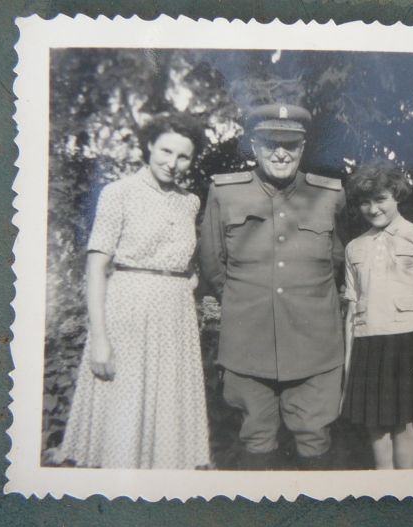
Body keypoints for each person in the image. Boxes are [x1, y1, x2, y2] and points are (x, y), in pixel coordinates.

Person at [59, 113, 211, 469]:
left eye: (183, 156)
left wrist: (187, 280)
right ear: (150, 145)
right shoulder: (119, 193)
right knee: (123, 411)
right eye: (166, 151)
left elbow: (182, 258)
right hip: (128, 312)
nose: (172, 163)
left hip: (175, 318)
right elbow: (96, 269)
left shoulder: (190, 202)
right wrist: (100, 339)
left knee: (167, 413)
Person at [199, 103, 346, 470]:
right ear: (254, 146)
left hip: (314, 344)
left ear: (303, 147)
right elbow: (213, 264)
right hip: (248, 342)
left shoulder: (330, 194)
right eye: (270, 144)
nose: (281, 153)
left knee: (315, 437)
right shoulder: (224, 193)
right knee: (256, 436)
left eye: (291, 145)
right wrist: (248, 301)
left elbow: (339, 261)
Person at [340, 164, 413, 469]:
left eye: (380, 199)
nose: (373, 209)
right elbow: (352, 312)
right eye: (365, 202)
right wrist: (349, 370)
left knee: (408, 457)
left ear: (396, 195)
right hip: (368, 351)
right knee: (382, 461)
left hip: (409, 349)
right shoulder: (354, 248)